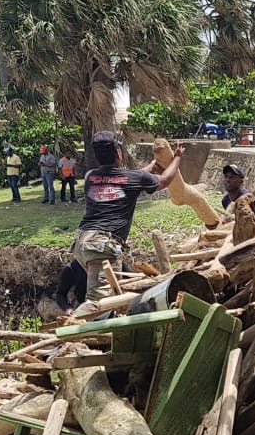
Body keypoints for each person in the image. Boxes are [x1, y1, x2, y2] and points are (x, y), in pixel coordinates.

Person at [72, 131, 184, 312]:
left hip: (82, 242)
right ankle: (73, 328)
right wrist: (177, 158)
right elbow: (164, 181)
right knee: (100, 302)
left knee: (111, 294)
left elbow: (124, 179)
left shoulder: (90, 177)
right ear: (118, 153)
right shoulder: (134, 178)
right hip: (102, 246)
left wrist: (149, 168)